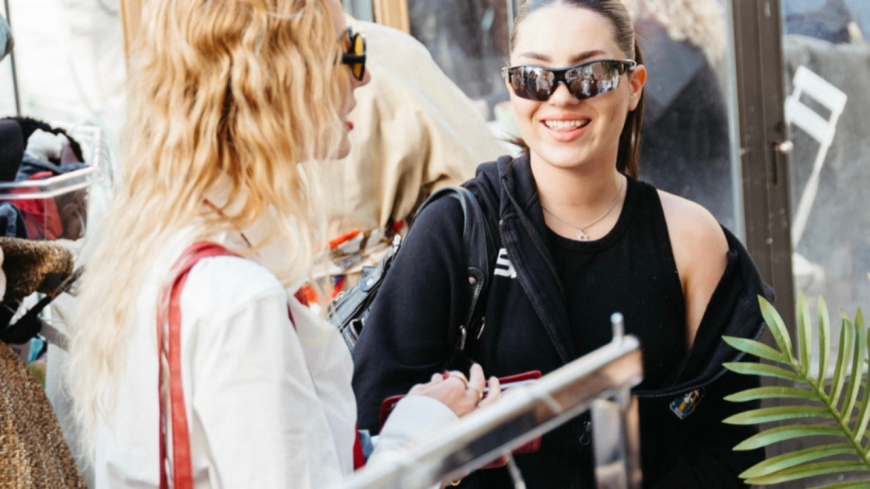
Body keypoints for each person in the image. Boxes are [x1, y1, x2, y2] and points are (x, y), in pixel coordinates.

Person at [65, 0, 499, 487]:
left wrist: (415, 422)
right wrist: (426, 428)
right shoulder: (240, 302)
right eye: (349, 52)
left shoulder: (156, 253)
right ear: (277, 79)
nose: (364, 78)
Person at [352, 0, 772, 487]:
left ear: (634, 86)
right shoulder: (455, 232)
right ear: (512, 87)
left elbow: (729, 448)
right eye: (533, 77)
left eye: (590, 75)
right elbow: (373, 430)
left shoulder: (691, 238)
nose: (561, 97)